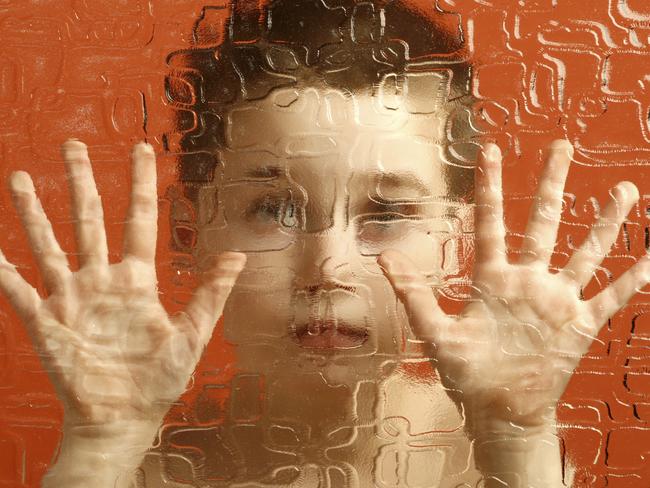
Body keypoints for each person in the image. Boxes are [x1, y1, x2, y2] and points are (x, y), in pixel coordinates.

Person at [0, 1, 647, 487]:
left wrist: (517, 437)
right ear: (188, 233)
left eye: (387, 212)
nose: (328, 268)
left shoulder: (500, 455)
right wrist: (100, 446)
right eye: (274, 209)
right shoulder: (147, 470)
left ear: (456, 245)